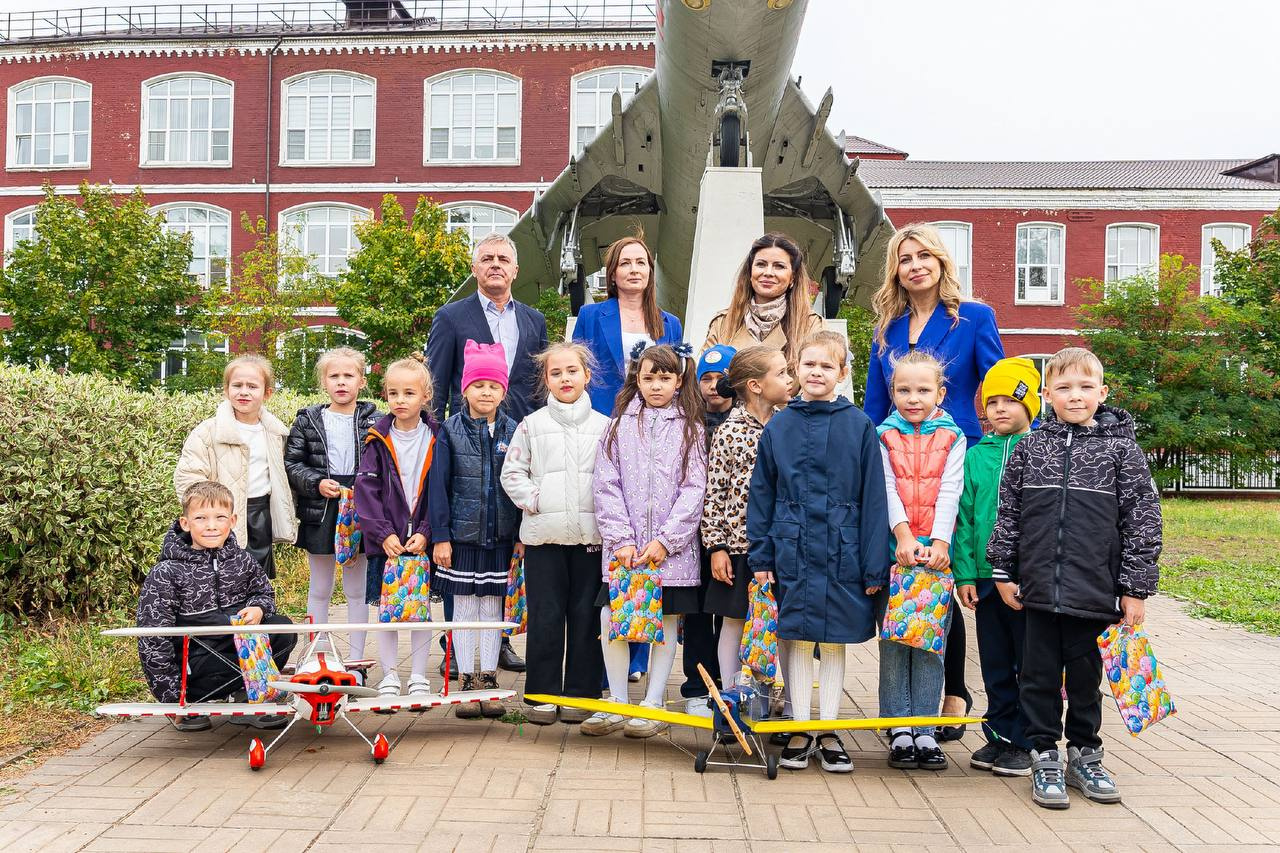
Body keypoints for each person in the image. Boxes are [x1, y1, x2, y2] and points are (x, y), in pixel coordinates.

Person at [987, 347, 1162, 810]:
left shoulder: (1121, 451)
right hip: (1038, 590)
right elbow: (1009, 512)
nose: (1076, 396)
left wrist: (1135, 588)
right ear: (1047, 395)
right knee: (1038, 678)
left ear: (1102, 393)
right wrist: (1003, 570)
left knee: (1085, 681)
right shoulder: (1030, 449)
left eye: (1086, 387)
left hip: (1095, 591)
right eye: (1064, 387)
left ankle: (1086, 755)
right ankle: (1044, 754)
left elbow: (1143, 520)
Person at [864, 222, 1006, 733]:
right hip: (898, 461)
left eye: (924, 255)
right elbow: (875, 404)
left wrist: (1009, 445)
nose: (915, 265)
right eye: (905, 259)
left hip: (953, 458)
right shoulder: (888, 329)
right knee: (909, 575)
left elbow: (999, 384)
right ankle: (911, 705)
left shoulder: (974, 317)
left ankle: (953, 691)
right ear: (895, 270)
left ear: (942, 262)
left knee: (946, 571)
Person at [747, 331, 889, 774]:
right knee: (796, 634)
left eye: (827, 366)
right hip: (791, 547)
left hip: (843, 548)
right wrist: (761, 556)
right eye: (809, 364)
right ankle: (799, 727)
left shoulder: (859, 425)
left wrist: (874, 566)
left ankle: (828, 729)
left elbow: (874, 498)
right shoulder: (780, 425)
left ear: (842, 373)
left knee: (832, 638)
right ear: (795, 368)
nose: (817, 372)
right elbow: (762, 493)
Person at [426, 232, 544, 674]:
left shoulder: (533, 320)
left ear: (516, 270)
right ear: (475, 269)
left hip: (516, 442)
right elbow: (437, 383)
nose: (496, 264)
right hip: (466, 444)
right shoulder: (451, 317)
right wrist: (437, 437)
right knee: (464, 543)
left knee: (502, 545)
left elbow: (536, 386)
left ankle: (499, 641)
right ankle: (456, 646)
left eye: (503, 259)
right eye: (487, 258)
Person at [584, 343, 708, 738]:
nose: (656, 385)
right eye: (649, 377)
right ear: (636, 379)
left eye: (665, 378)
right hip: (626, 550)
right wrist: (621, 538)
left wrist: (667, 541)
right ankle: (617, 700)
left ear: (679, 380)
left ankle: (653, 702)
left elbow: (695, 489)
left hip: (670, 554)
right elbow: (606, 484)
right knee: (611, 617)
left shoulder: (691, 428)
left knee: (666, 620)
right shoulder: (618, 426)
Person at [500, 342, 610, 726]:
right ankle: (543, 695)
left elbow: (614, 479)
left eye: (572, 371)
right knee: (546, 616)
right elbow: (512, 473)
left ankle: (582, 694)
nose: (565, 378)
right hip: (543, 538)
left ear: (587, 376)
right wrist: (537, 499)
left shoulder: (605, 427)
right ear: (546, 380)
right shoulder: (531, 425)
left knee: (586, 617)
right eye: (556, 373)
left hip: (591, 539)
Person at [137, 481, 296, 732]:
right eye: (201, 518)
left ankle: (246, 698)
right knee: (215, 666)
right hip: (197, 664)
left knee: (283, 629)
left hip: (237, 648)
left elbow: (264, 592)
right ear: (185, 523)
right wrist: (171, 699)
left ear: (232, 521)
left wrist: (259, 608)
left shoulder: (243, 560)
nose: (211, 525)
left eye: (220, 517)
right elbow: (152, 638)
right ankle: (191, 703)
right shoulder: (166, 572)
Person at [874, 350, 967, 772]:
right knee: (896, 642)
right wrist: (903, 536)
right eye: (904, 390)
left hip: (934, 556)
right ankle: (898, 726)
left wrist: (941, 542)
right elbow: (886, 487)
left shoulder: (953, 436)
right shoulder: (882, 435)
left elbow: (951, 489)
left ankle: (925, 728)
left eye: (923, 390)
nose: (914, 398)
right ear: (893, 393)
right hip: (897, 552)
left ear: (940, 394)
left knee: (930, 643)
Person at [953, 357, 1042, 778]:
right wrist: (965, 573)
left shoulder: (1042, 452)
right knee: (995, 661)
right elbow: (965, 517)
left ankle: (1026, 740)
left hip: (1027, 580)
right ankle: (999, 735)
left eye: (1011, 400)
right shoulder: (977, 456)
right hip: (986, 579)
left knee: (1029, 662)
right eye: (992, 401)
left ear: (1031, 405)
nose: (1000, 408)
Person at [429, 341, 519, 720]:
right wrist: (440, 536)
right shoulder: (449, 431)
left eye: (494, 385)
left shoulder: (515, 431)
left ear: (504, 390)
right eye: (478, 385)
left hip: (500, 538)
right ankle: (467, 681)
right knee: (465, 609)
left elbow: (520, 485)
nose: (486, 392)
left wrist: (520, 536)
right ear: (464, 389)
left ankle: (489, 680)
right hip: (461, 540)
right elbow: (438, 486)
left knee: (492, 609)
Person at [702, 345, 792, 688]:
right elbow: (715, 492)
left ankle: (785, 698)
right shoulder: (729, 431)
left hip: (782, 544)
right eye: (781, 373)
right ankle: (731, 695)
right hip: (740, 546)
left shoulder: (789, 426)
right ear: (755, 385)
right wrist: (717, 547)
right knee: (734, 620)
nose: (789, 379)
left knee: (782, 624)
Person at [284, 347, 380, 667]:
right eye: (334, 376)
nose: (341, 382)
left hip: (360, 508)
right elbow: (293, 463)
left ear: (361, 381)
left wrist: (368, 485)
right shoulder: (308, 420)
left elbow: (387, 464)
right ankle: (317, 655)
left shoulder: (377, 420)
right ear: (323, 382)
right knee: (320, 585)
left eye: (348, 375)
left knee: (356, 588)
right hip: (322, 508)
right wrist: (315, 483)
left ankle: (356, 660)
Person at [357, 356, 439, 701]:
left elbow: (441, 490)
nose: (400, 400)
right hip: (387, 542)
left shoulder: (438, 436)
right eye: (393, 393)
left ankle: (419, 675)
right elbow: (366, 491)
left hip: (420, 540)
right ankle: (390, 674)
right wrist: (383, 534)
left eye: (409, 393)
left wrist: (427, 530)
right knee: (386, 611)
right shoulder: (376, 439)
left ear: (426, 396)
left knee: (421, 611)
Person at [174, 355, 298, 579]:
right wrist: (208, 514)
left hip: (260, 515)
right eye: (237, 385)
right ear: (226, 390)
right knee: (220, 578)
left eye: (252, 386)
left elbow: (283, 476)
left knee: (256, 579)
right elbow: (188, 477)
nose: (244, 392)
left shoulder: (275, 433)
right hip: (219, 516)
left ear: (267, 393)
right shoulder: (207, 432)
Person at [572, 235, 684, 416]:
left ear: (650, 271)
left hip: (654, 420)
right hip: (602, 418)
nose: (634, 270)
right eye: (625, 263)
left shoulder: (671, 324)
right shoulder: (589, 316)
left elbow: (675, 379)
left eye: (641, 263)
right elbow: (575, 371)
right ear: (612, 274)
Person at [701, 232, 824, 373]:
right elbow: (706, 377)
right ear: (750, 272)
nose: (768, 272)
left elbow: (817, 378)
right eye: (761, 264)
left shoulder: (810, 325)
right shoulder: (723, 323)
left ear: (792, 278)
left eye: (779, 266)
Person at [696, 344, 736, 440]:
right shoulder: (689, 423)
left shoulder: (748, 421)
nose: (713, 386)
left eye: (721, 379)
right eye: (706, 379)